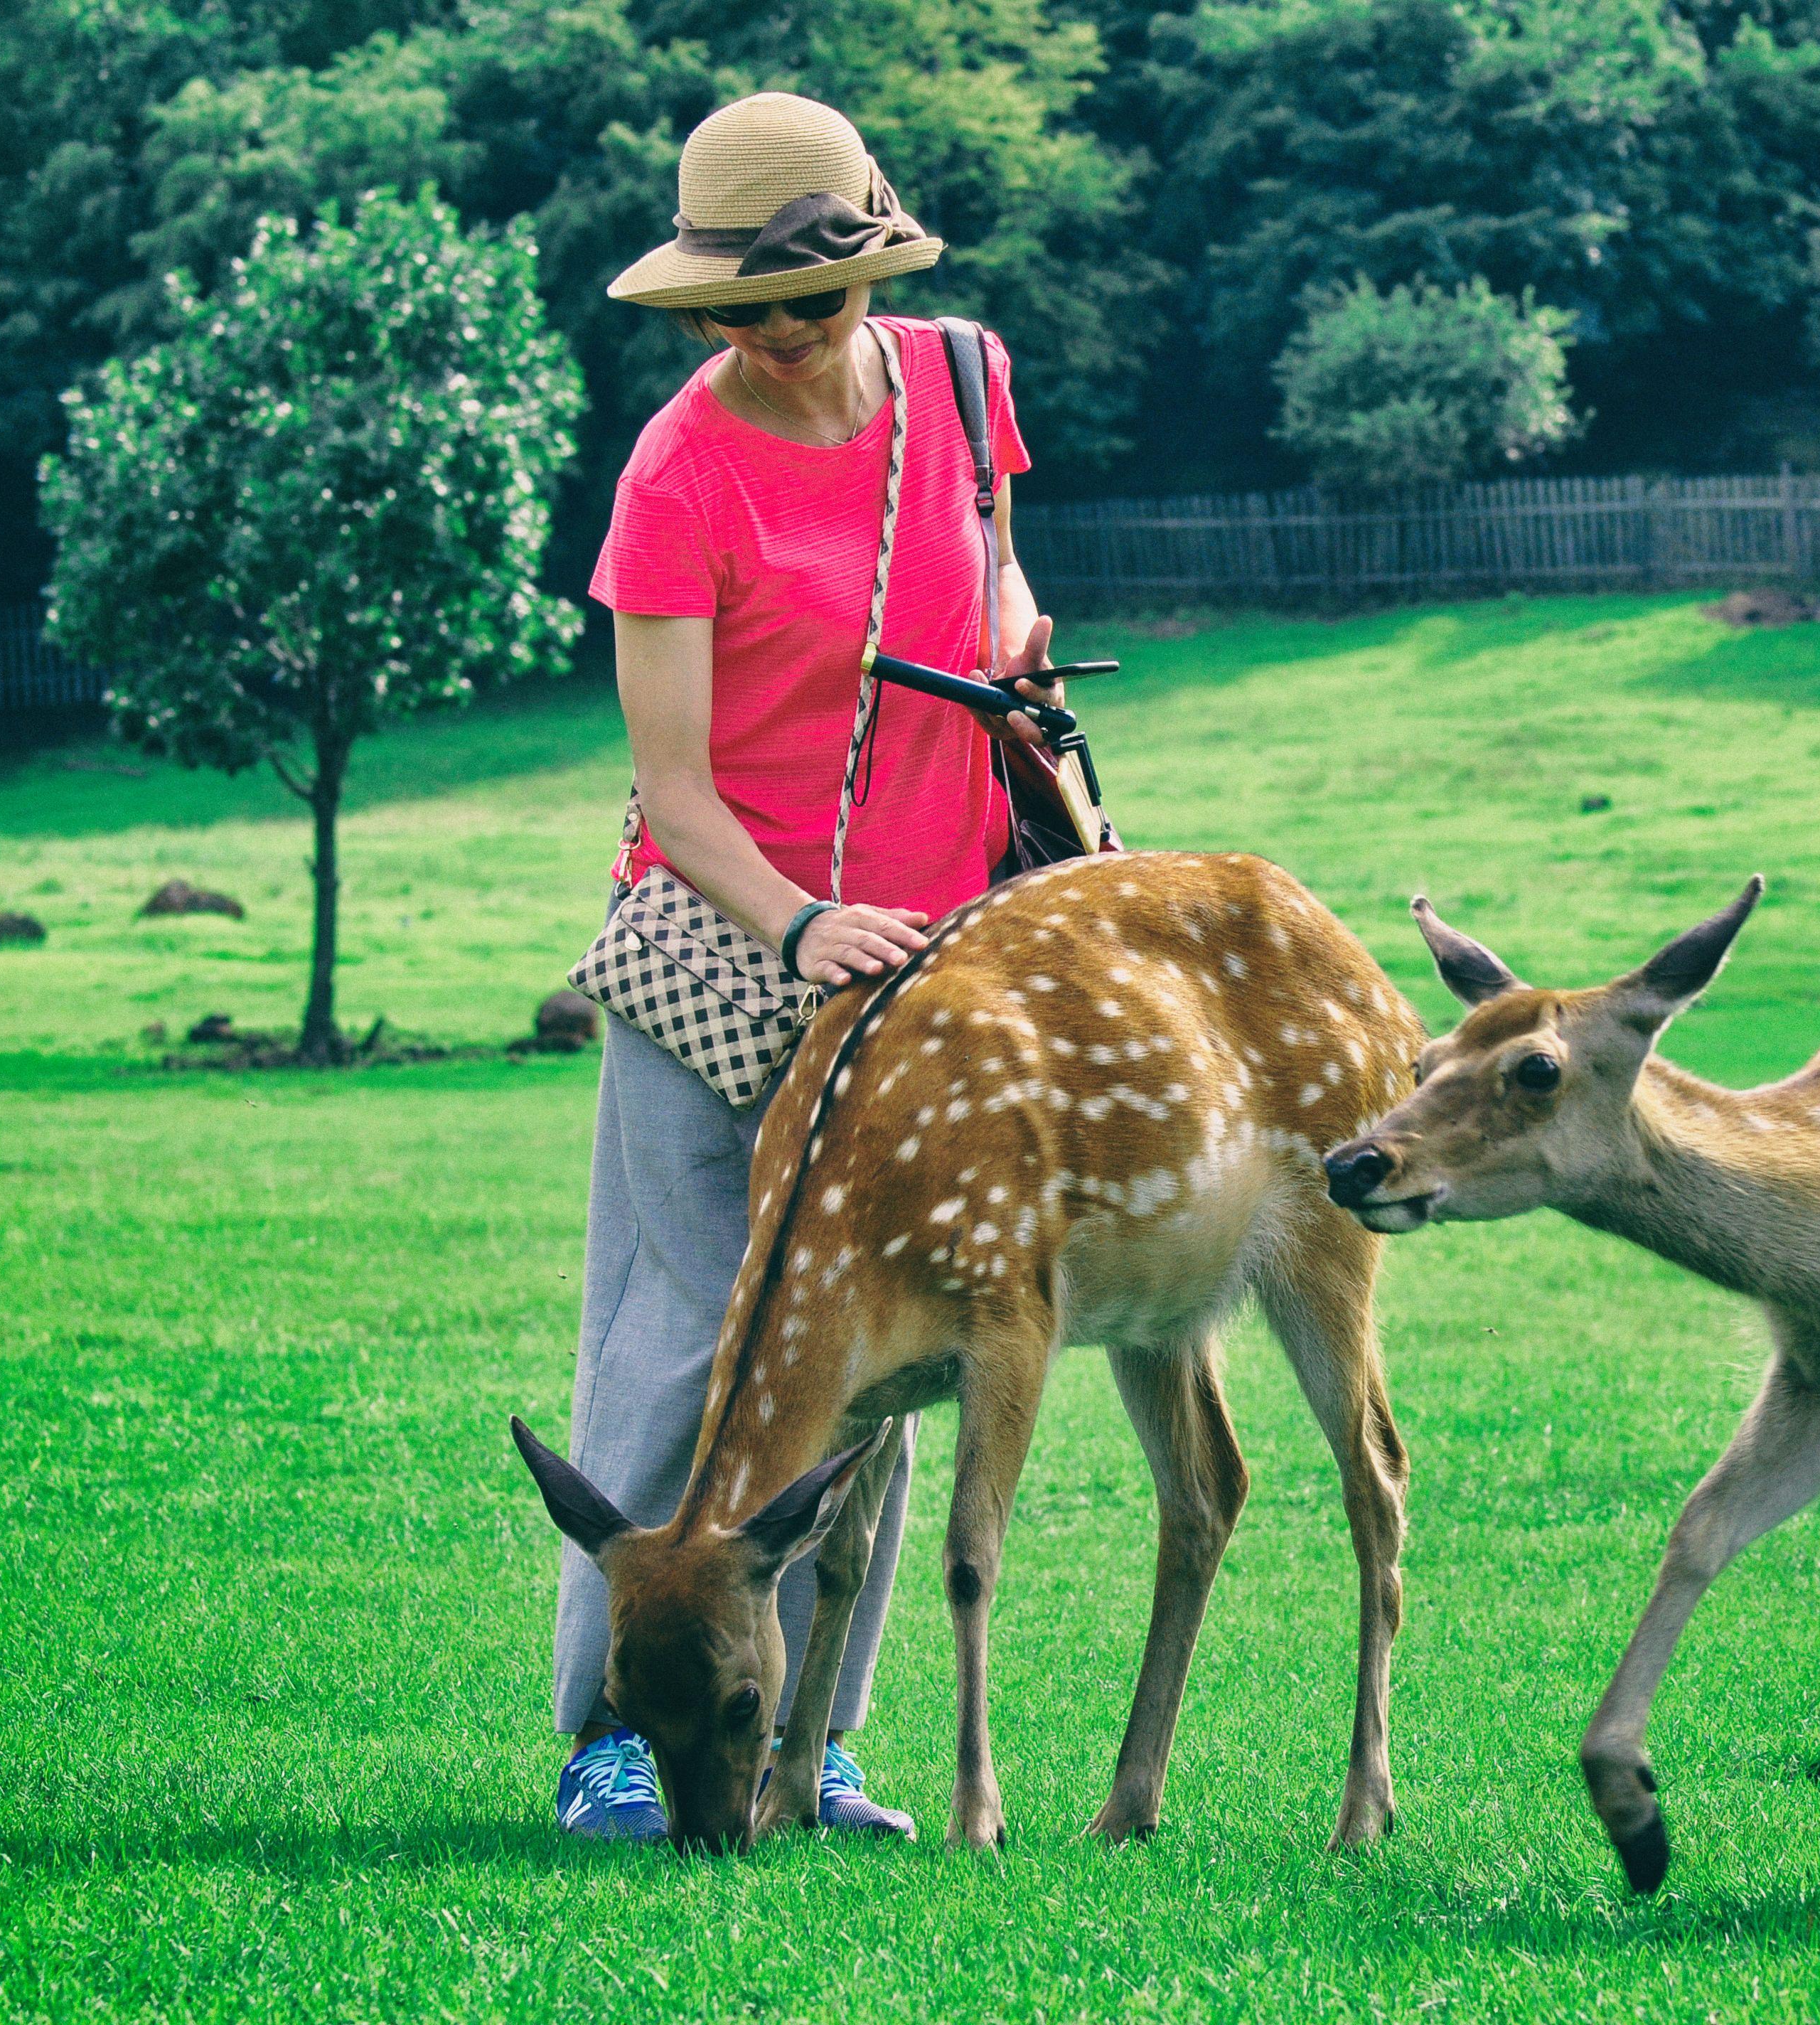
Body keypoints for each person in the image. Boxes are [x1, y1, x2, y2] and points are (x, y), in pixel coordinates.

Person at [549, 91, 1065, 1842]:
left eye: (805, 306)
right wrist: (793, 919)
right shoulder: (676, 474)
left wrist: (1008, 637)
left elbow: (994, 573)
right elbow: (673, 790)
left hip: (920, 962)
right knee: (679, 1345)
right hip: (728, 949)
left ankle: (808, 1736)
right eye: (734, 312)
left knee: (871, 1357)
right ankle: (614, 1733)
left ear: (874, 270)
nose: (771, 340)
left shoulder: (958, 380)